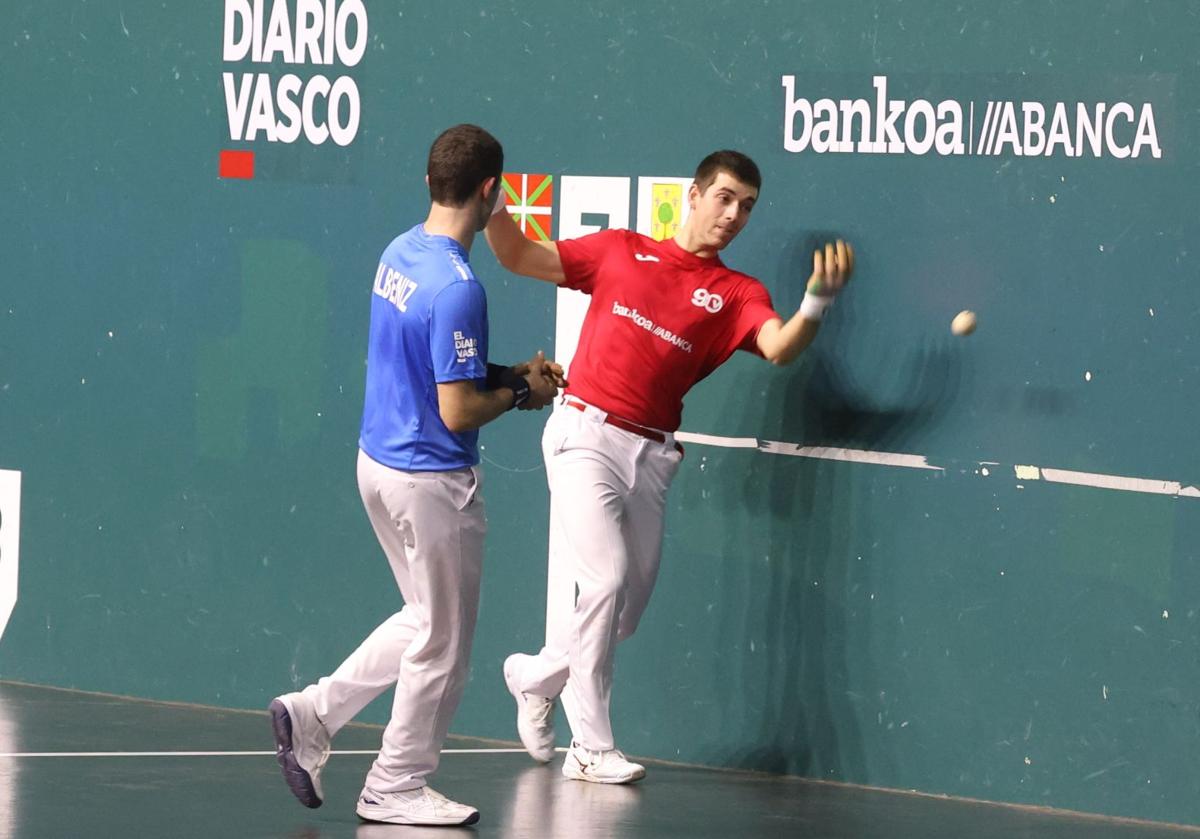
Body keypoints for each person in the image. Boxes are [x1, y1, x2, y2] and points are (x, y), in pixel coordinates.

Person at [485, 150, 854, 783]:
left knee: (623, 614)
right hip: (585, 436)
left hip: (652, 456)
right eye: (725, 198)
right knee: (603, 582)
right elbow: (519, 255)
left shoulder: (738, 293)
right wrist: (492, 206)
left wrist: (815, 303)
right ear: (694, 194)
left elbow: (780, 346)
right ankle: (591, 746)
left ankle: (536, 675)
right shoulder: (620, 250)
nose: (734, 215)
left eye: (747, 207)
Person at [268, 124, 561, 826]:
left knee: (422, 619)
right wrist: (526, 394)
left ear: (432, 182)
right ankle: (395, 782)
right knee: (445, 645)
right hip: (432, 483)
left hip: (378, 465)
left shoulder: (400, 251)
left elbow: (438, 367)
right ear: (492, 191)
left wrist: (511, 372)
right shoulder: (460, 286)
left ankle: (314, 712)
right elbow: (458, 409)